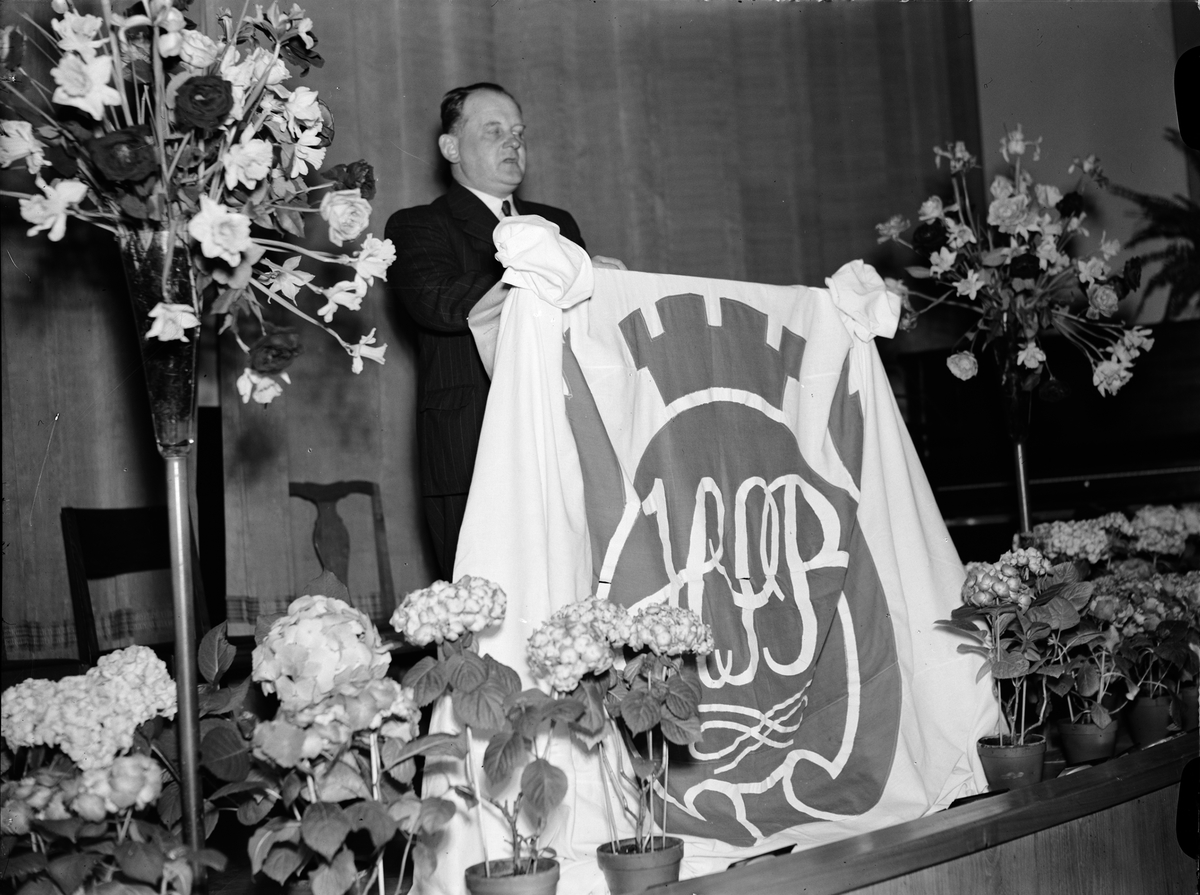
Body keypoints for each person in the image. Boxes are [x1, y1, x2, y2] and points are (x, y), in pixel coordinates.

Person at [385, 82, 622, 578]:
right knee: (480, 603)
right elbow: (438, 302)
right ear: (451, 147)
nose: (513, 142)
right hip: (470, 443)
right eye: (493, 131)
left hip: (563, 438)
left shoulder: (555, 224)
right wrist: (558, 274)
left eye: (518, 132)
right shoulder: (418, 225)